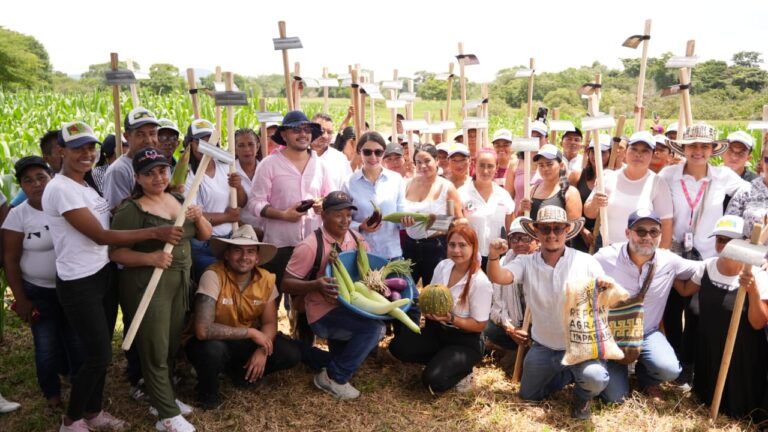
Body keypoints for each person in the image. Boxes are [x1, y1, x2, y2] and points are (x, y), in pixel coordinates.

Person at [42, 121, 183, 432]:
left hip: (101, 273)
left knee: (100, 349)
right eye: (78, 148)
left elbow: (105, 217)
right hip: (79, 282)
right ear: (61, 151)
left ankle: (93, 412)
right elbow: (100, 235)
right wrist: (155, 231)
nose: (87, 153)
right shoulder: (61, 188)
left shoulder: (85, 182)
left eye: (91, 147)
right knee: (98, 355)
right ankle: (71, 421)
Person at [110, 148, 213, 432]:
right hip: (147, 285)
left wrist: (200, 216)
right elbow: (116, 253)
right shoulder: (132, 209)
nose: (158, 177)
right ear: (137, 178)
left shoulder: (180, 199)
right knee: (154, 346)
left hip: (179, 281)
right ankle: (166, 415)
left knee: (169, 344)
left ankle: (162, 397)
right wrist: (149, 258)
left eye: (162, 170)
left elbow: (204, 235)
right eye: (149, 173)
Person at [486, 205, 612, 420]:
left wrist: (603, 287)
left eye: (558, 229)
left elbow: (605, 289)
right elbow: (500, 277)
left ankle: (582, 395)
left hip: (579, 346)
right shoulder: (525, 262)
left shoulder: (586, 261)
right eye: (545, 229)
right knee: (529, 396)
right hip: (543, 346)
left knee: (596, 378)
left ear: (567, 231)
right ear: (536, 232)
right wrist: (493, 257)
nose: (552, 234)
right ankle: (566, 375)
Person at [659, 123, 749, 387]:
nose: (698, 151)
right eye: (692, 146)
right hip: (674, 251)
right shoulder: (668, 175)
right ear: (684, 148)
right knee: (671, 310)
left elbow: (752, 194)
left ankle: (691, 365)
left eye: (704, 146)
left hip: (709, 256)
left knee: (697, 313)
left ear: (712, 150)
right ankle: (673, 364)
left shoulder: (724, 176)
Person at [186, 225, 302, 409]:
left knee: (290, 353)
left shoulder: (266, 279)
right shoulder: (212, 275)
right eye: (237, 250)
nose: (244, 257)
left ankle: (241, 374)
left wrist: (262, 351)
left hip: (242, 342)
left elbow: (270, 322)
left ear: (257, 258)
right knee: (211, 351)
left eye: (250, 251)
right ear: (226, 254)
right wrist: (251, 333)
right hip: (213, 340)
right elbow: (203, 330)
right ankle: (207, 393)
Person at [282, 191, 383, 400]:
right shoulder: (310, 246)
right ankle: (333, 378)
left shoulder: (357, 239)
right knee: (373, 329)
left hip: (351, 307)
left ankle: (305, 352)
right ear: (324, 215)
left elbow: (367, 273)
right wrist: (316, 285)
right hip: (323, 313)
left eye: (348, 214)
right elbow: (285, 283)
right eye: (338, 214)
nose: (345, 220)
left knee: (343, 356)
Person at [2, 156, 83, 410]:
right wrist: (21, 299)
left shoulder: (68, 206)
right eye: (28, 180)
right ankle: (53, 396)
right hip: (38, 292)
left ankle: (82, 392)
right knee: (45, 348)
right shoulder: (18, 216)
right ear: (21, 187)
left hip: (71, 288)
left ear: (51, 178)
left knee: (76, 343)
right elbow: (11, 260)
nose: (36, 184)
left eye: (41, 177)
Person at [595, 209, 700, 403]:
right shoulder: (605, 257)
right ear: (628, 233)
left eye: (654, 232)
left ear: (660, 236)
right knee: (615, 398)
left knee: (669, 370)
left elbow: (705, 268)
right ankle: (615, 370)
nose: (647, 237)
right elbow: (580, 275)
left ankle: (646, 378)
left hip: (647, 334)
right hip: (611, 338)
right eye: (641, 231)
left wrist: (750, 263)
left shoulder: (669, 261)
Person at [679, 215, 768, 423]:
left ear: (746, 242)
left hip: (742, 355)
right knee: (705, 401)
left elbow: (758, 322)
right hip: (709, 351)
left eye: (730, 241)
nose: (724, 245)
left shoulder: (760, 276)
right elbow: (685, 290)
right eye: (720, 240)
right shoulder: (707, 267)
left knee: (740, 412)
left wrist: (752, 290)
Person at [389, 225, 492, 393]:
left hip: (464, 341)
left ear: (473, 247)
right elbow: (431, 294)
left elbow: (480, 325)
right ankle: (443, 361)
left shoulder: (480, 282)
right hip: (436, 332)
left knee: (432, 382)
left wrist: (450, 318)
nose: (456, 250)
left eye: (462, 245)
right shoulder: (443, 266)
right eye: (452, 245)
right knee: (398, 347)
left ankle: (463, 370)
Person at [248, 110, 333, 290]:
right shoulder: (269, 165)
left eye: (306, 129)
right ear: (284, 135)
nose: (302, 134)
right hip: (279, 245)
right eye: (296, 130)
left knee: (306, 299)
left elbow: (329, 197)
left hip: (312, 245)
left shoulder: (321, 165)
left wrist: (323, 205)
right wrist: (283, 215)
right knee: (273, 294)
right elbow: (255, 203)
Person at [584, 131, 674, 248]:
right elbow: (588, 213)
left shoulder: (658, 184)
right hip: (607, 247)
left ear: (652, 154)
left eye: (645, 151)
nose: (638, 154)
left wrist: (661, 257)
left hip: (641, 252)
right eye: (634, 149)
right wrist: (595, 203)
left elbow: (666, 224)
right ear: (626, 151)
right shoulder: (608, 177)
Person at [183, 118, 246, 281]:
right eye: (200, 142)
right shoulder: (187, 174)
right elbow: (192, 215)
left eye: (209, 141)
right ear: (190, 144)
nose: (205, 146)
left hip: (230, 239)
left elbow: (242, 202)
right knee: (210, 286)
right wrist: (227, 217)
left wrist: (238, 186)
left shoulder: (226, 166)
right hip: (204, 245)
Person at [482, 217, 539, 371]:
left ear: (537, 240)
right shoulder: (501, 266)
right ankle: (513, 349)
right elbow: (496, 308)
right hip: (514, 327)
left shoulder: (545, 264)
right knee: (488, 327)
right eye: (515, 238)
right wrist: (510, 329)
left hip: (540, 330)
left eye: (526, 238)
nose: (520, 243)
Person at [401, 144, 463, 286]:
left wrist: (436, 224)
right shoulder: (407, 185)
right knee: (406, 290)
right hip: (411, 246)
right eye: (419, 162)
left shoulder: (446, 187)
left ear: (437, 161)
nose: (423, 166)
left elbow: (460, 220)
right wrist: (404, 221)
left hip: (436, 247)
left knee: (435, 293)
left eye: (427, 161)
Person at [343, 132, 405, 260]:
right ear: (359, 152)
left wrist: (406, 222)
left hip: (391, 253)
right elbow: (342, 219)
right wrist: (360, 226)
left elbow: (401, 214)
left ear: (383, 153)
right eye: (367, 152)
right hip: (361, 253)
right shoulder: (349, 182)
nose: (373, 157)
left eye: (378, 152)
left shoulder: (396, 180)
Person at [458, 149, 515, 268]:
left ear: (497, 167)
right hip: (470, 258)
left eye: (490, 166)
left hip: (498, 258)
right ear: (474, 164)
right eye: (482, 165)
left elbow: (511, 230)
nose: (485, 170)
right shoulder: (461, 194)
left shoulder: (503, 196)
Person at [103, 107, 161, 210]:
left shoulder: (161, 164)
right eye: (140, 134)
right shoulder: (119, 170)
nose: (148, 140)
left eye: (152, 134)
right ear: (126, 136)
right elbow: (117, 212)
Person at [568, 135, 611, 252]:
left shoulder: (615, 178)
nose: (597, 156)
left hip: (605, 235)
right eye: (593, 152)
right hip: (580, 233)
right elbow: (568, 207)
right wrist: (582, 231)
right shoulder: (576, 176)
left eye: (602, 152)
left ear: (611, 154)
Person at [518, 144, 582, 223]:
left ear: (561, 165)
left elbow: (573, 228)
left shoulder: (571, 193)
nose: (545, 169)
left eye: (549, 164)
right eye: (541, 165)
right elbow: (519, 222)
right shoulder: (531, 191)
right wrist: (521, 210)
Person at [726, 143, 768, 238]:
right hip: (748, 251)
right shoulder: (746, 191)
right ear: (761, 161)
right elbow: (728, 230)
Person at [233, 128, 264, 236]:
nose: (247, 149)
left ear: (258, 146)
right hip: (241, 233)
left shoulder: (267, 168)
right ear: (235, 149)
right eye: (241, 145)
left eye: (251, 144)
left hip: (269, 232)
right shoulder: (229, 171)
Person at [311, 113, 352, 189]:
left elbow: (348, 188)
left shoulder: (340, 159)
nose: (325, 136)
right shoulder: (300, 156)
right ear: (310, 131)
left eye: (329, 132)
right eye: (322, 131)